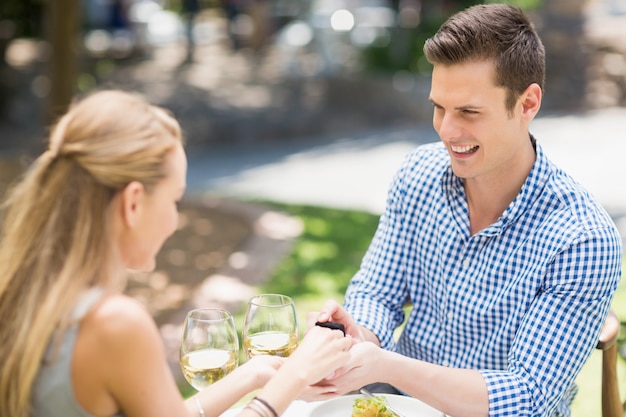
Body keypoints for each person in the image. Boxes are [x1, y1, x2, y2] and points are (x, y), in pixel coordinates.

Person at [308, 4, 622, 417]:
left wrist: (387, 365)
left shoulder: (582, 239)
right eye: (439, 107)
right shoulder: (418, 174)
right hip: (399, 402)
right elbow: (377, 292)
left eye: (469, 112)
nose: (446, 130)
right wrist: (358, 334)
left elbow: (528, 398)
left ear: (527, 104)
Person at [0, 89, 352, 417]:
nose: (175, 221)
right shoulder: (113, 324)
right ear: (133, 202)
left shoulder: (23, 295)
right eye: (174, 200)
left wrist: (252, 375)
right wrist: (293, 377)